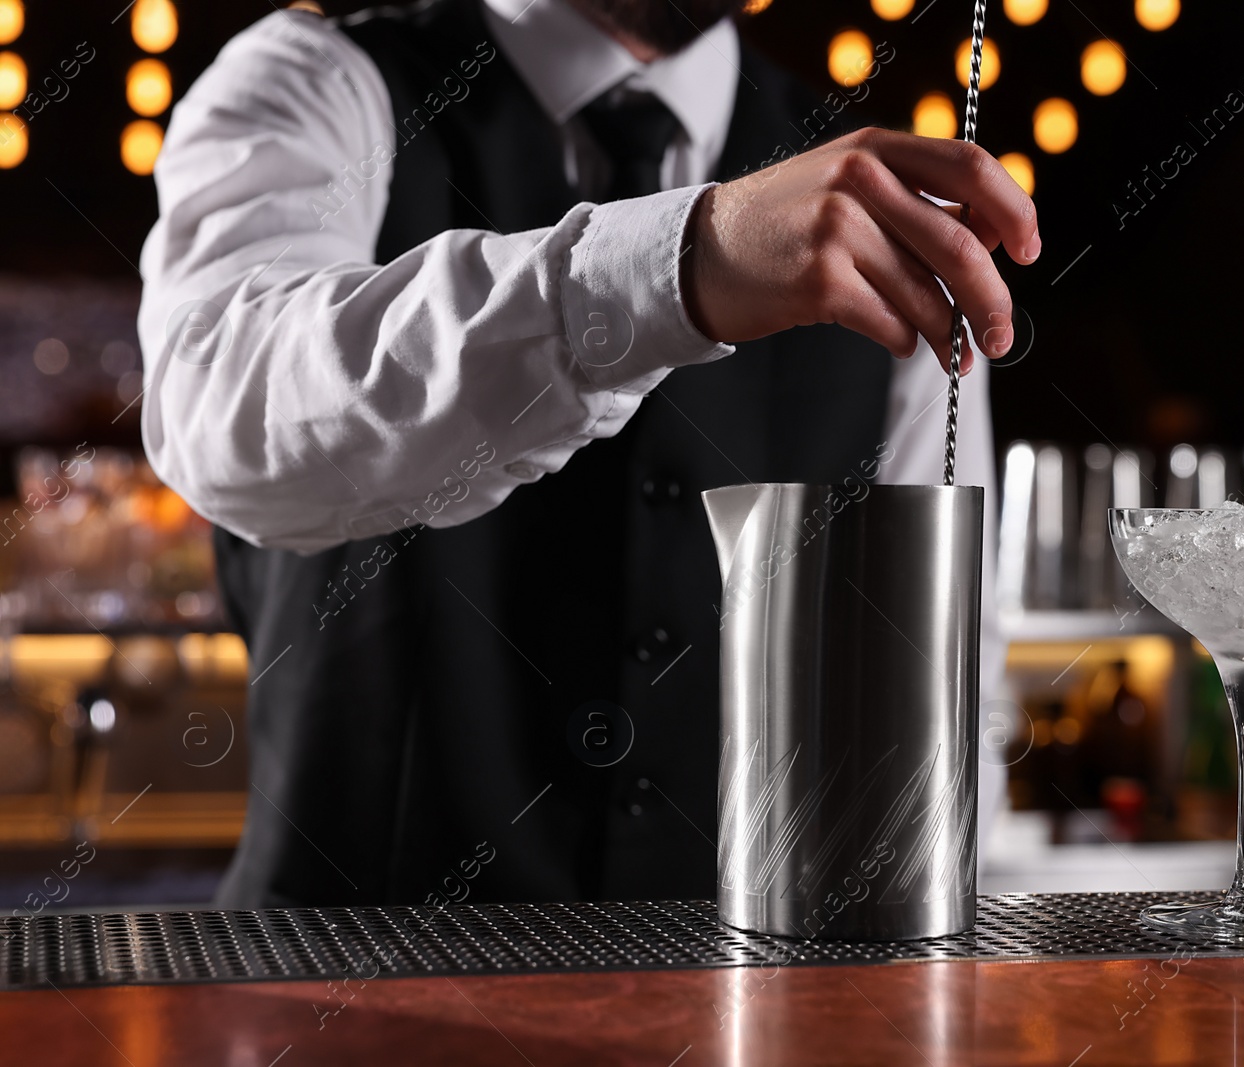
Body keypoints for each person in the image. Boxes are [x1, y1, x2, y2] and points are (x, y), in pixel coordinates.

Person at [136, 0, 1041, 907]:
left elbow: (938, 680)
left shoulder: (880, 210)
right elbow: (222, 412)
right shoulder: (320, 80)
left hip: (727, 1016)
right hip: (343, 1001)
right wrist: (675, 266)